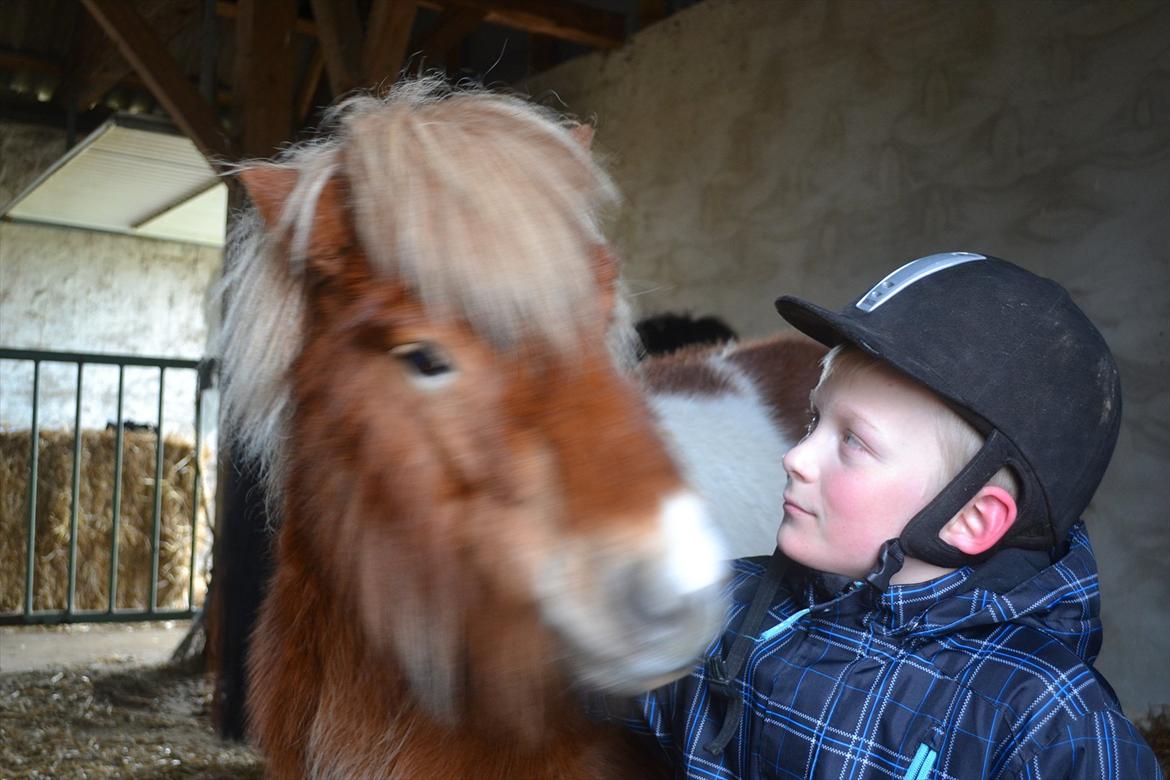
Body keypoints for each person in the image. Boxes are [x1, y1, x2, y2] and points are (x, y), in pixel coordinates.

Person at [598, 252, 1162, 778]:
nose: (794, 456)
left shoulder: (1046, 720)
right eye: (815, 421)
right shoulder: (722, 607)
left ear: (969, 518)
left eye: (855, 443)